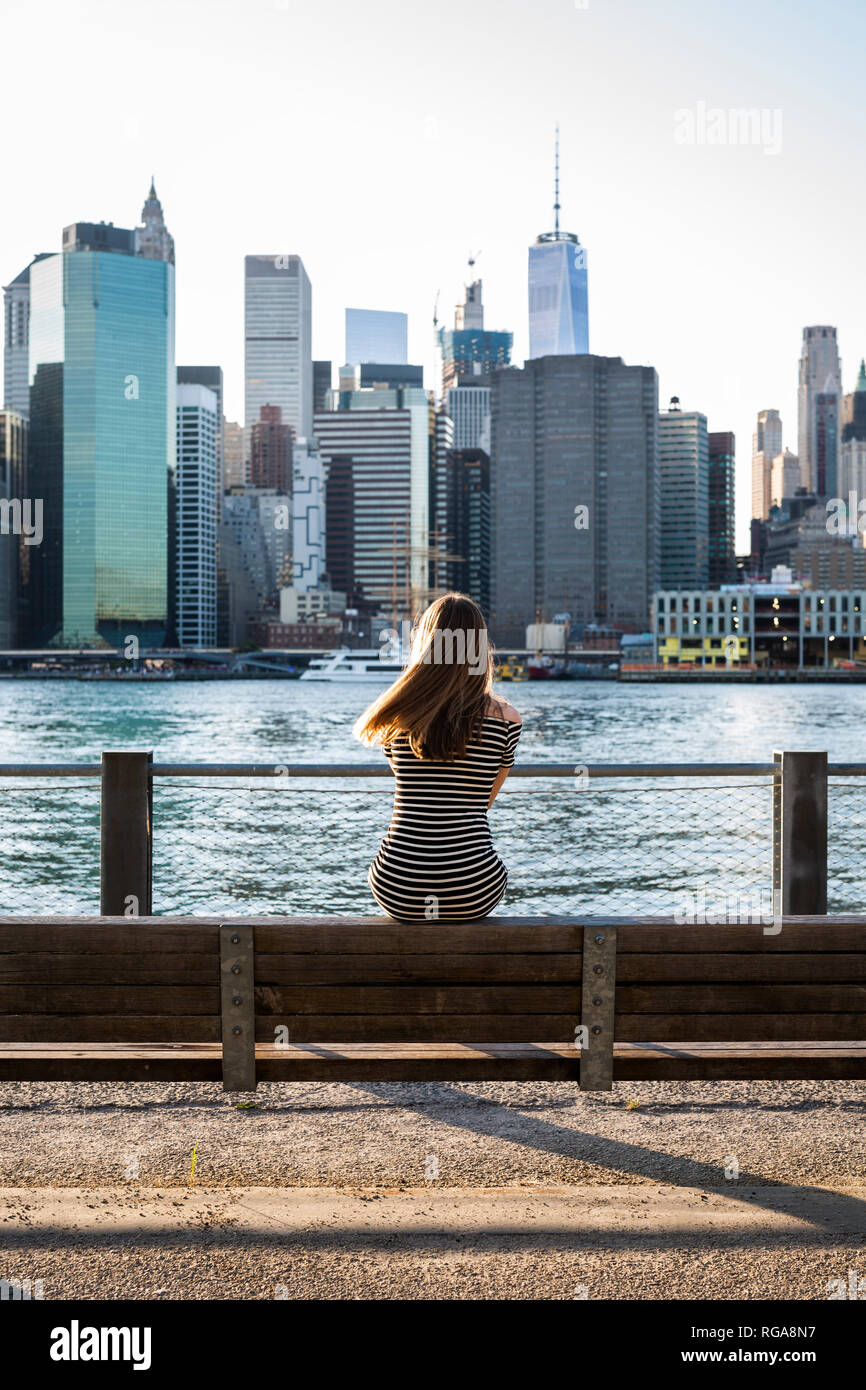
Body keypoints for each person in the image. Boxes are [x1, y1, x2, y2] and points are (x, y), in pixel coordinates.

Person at [354, 592, 521, 921]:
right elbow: (482, 801)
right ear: (479, 646)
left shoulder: (394, 716)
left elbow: (413, 789)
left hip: (398, 885)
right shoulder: (506, 720)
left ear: (425, 643)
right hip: (473, 886)